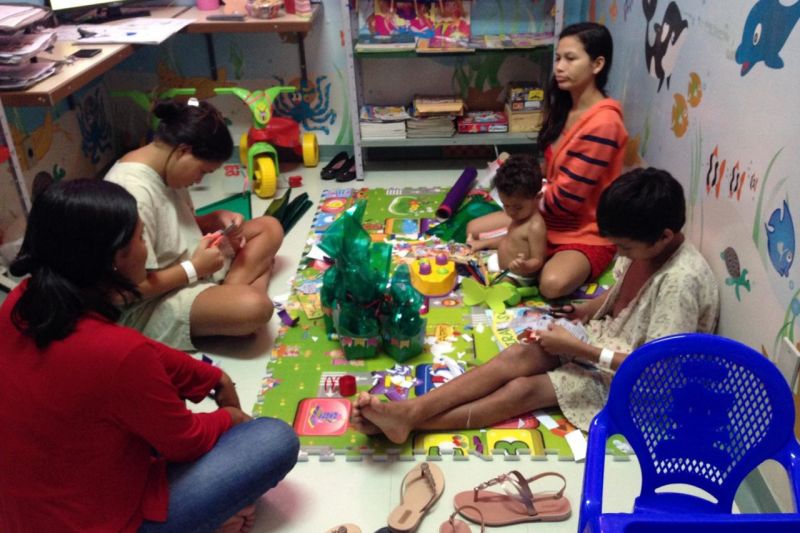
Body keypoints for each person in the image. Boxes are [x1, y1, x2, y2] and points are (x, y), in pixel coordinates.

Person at [0, 179, 299, 533]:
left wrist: (211, 377)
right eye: (140, 239)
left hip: (33, 511)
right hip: (102, 521)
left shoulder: (22, 299)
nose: (146, 249)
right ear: (115, 260)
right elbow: (185, 442)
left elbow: (134, 350)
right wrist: (230, 418)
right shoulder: (118, 355)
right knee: (274, 439)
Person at [352, 167, 719, 442]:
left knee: (523, 390)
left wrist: (580, 350)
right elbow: (621, 294)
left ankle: (405, 421)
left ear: (664, 236)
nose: (619, 255)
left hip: (635, 388)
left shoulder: (680, 282)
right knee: (517, 357)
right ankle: (409, 413)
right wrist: (588, 310)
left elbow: (659, 371)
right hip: (603, 341)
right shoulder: (644, 244)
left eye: (624, 248)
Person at [467, 22, 629, 299]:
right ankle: (523, 249)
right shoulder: (567, 107)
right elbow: (547, 171)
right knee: (473, 230)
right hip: (544, 213)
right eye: (557, 58)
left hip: (582, 229)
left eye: (570, 58)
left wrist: (521, 214)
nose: (560, 67)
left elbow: (566, 201)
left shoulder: (604, 124)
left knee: (551, 284)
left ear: (597, 64)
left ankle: (533, 258)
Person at [106, 98, 283, 350]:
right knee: (255, 307)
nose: (199, 180)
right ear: (183, 151)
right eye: (203, 172)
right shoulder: (132, 192)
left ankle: (227, 302)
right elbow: (126, 291)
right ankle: (234, 304)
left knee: (269, 227)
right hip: (156, 298)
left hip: (195, 266)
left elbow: (171, 229)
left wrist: (214, 219)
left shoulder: (165, 166)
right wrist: (194, 269)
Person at [468, 154, 546, 284]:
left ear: (538, 197)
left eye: (518, 207)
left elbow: (538, 260)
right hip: (503, 266)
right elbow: (511, 239)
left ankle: (524, 291)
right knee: (474, 272)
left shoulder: (535, 226)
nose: (510, 212)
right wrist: (482, 244)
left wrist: (525, 266)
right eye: (506, 205)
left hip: (519, 276)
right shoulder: (520, 216)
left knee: (499, 287)